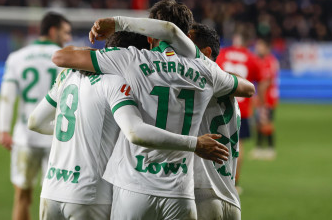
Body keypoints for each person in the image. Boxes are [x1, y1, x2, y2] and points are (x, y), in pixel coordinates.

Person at [53, 0, 255, 220]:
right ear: (186, 36)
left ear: (149, 37)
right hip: (181, 194)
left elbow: (61, 57)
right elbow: (247, 88)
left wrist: (104, 43)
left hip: (134, 187)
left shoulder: (132, 59)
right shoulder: (207, 70)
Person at [28, 31, 229, 219]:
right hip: (89, 195)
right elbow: (136, 131)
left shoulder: (68, 74)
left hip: (52, 190)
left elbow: (35, 122)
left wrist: (83, 130)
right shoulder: (116, 81)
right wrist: (195, 144)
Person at [0, 12, 72, 220]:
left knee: (22, 196)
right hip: (56, 137)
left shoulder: (17, 57)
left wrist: (3, 129)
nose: (68, 38)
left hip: (25, 136)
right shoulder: (65, 56)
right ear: (52, 30)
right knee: (56, 200)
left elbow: (7, 97)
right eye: (65, 33)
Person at [190, 23, 242, 219]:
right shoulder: (228, 88)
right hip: (230, 196)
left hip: (203, 192)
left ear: (206, 52)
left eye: (187, 45)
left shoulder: (197, 82)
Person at [216, 31, 269, 185]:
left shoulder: (223, 54)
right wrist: (262, 105)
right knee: (239, 145)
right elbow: (263, 82)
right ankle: (234, 182)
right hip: (242, 109)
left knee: (216, 142)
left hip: (219, 105)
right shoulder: (252, 58)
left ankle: (217, 181)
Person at [253, 38, 279, 160]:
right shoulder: (260, 60)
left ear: (266, 47)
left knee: (267, 123)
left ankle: (270, 148)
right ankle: (259, 147)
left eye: (260, 46)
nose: (258, 48)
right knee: (259, 122)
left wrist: (261, 99)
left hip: (268, 98)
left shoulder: (270, 61)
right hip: (261, 97)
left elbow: (266, 82)